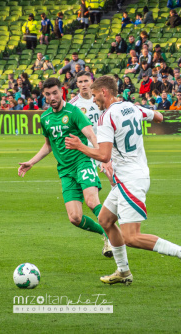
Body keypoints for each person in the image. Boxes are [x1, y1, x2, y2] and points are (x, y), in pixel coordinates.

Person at [64, 75, 181, 285]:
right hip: (131, 176)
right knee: (105, 220)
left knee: (131, 237)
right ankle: (123, 271)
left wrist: (80, 146)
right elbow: (159, 117)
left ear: (105, 93)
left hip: (130, 180)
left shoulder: (106, 117)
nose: (94, 100)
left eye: (96, 95)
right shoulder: (132, 107)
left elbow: (104, 155)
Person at [18, 78, 113, 258]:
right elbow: (48, 145)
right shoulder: (45, 118)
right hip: (65, 171)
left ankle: (112, 235)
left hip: (83, 161)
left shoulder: (74, 111)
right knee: (75, 218)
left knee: (92, 201)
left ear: (61, 91)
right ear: (44, 96)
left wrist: (102, 159)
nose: (52, 97)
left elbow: (91, 135)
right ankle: (105, 232)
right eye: (48, 94)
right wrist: (32, 161)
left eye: (55, 92)